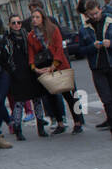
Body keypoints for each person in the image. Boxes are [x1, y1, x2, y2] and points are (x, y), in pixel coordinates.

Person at [78, 0, 112, 141]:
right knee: (107, 99)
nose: (94, 16)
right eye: (91, 14)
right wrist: (92, 47)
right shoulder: (84, 28)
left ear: (100, 9)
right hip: (98, 67)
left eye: (96, 13)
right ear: (87, 14)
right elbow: (80, 50)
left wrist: (111, 43)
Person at [27, 7, 83, 135]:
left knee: (70, 95)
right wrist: (35, 68)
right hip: (44, 67)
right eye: (33, 17)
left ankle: (78, 121)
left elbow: (59, 48)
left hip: (59, 65)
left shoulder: (53, 30)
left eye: (37, 17)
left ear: (43, 18)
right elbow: (31, 54)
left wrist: (54, 65)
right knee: (51, 96)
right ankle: (60, 122)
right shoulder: (31, 35)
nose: (34, 20)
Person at [4, 13, 49, 137]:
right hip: (17, 72)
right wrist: (11, 71)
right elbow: (5, 57)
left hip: (31, 69)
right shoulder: (7, 38)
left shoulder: (27, 35)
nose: (17, 25)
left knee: (37, 99)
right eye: (14, 23)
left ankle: (41, 126)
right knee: (19, 101)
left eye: (19, 22)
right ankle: (18, 129)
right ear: (9, 24)